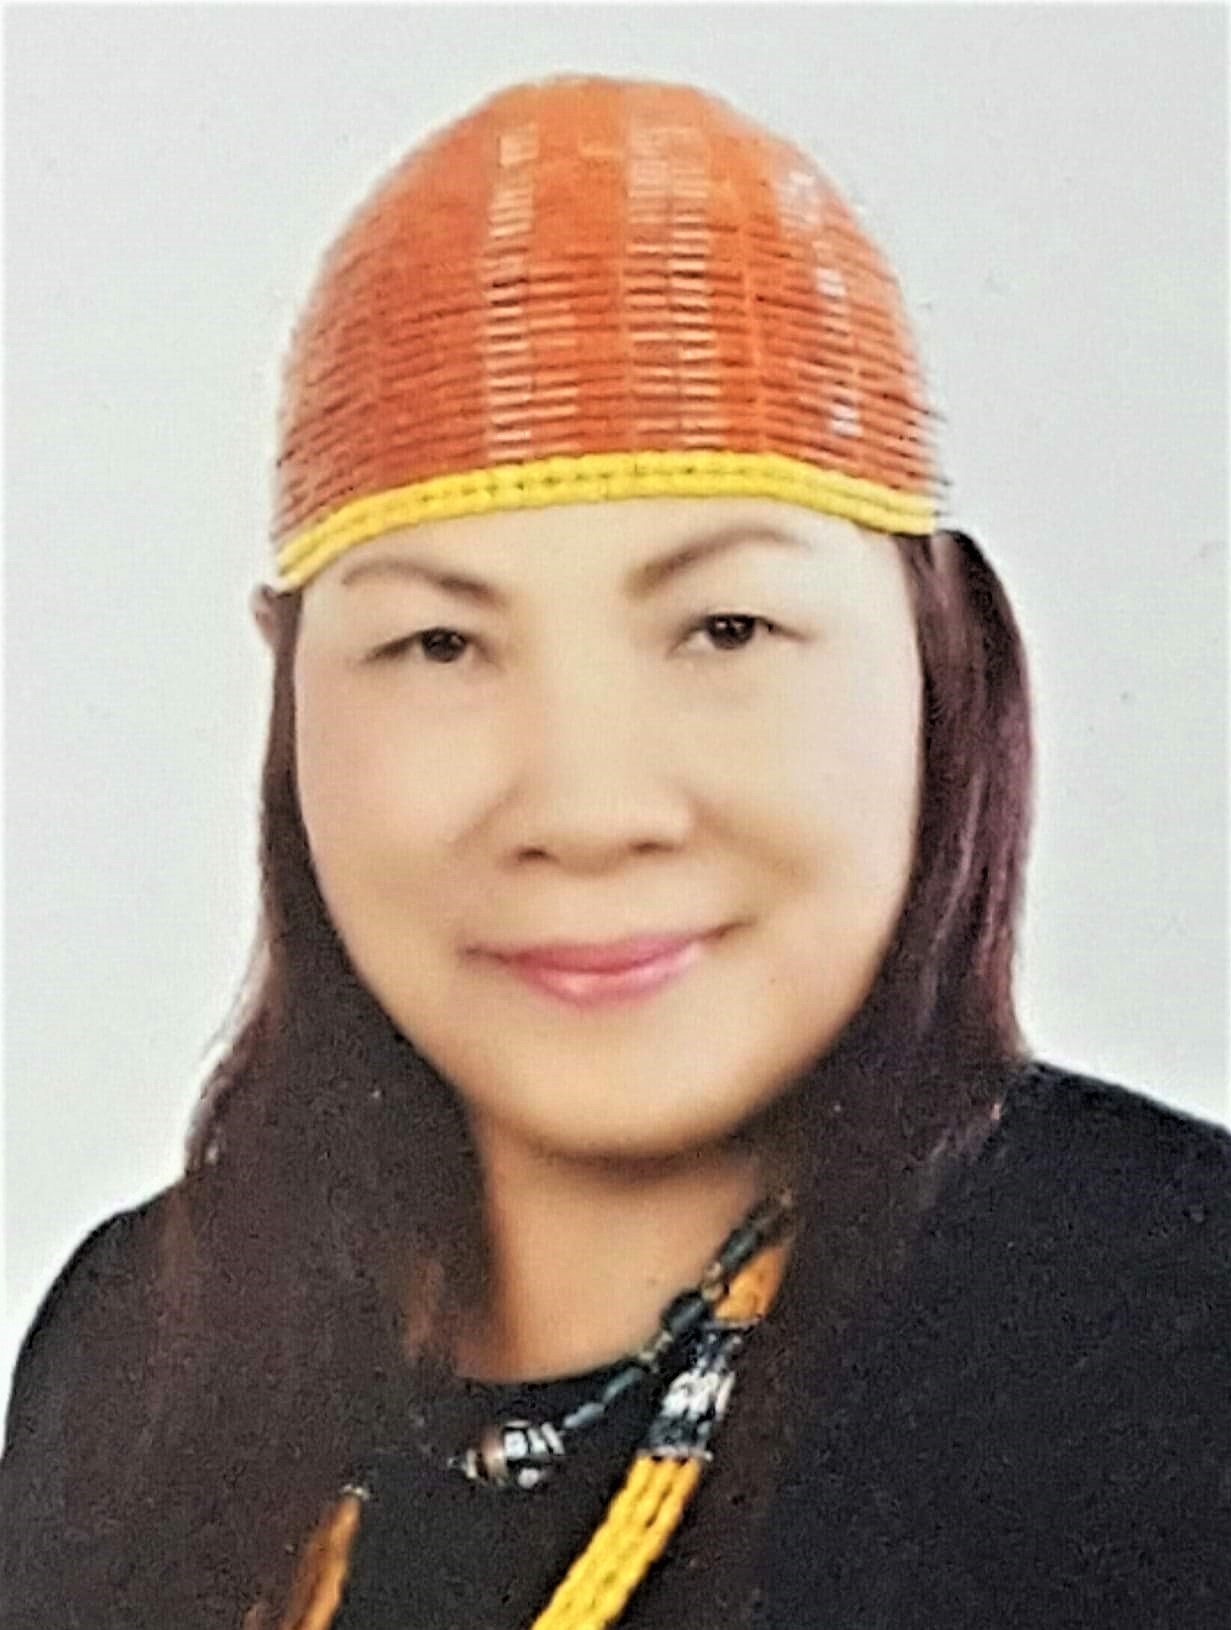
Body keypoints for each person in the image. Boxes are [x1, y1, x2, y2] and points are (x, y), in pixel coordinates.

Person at [2, 73, 1227, 1630]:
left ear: (941, 657)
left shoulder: (1172, 1327)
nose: (585, 807)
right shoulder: (137, 1348)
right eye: (439, 643)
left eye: (726, 627)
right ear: (289, 691)